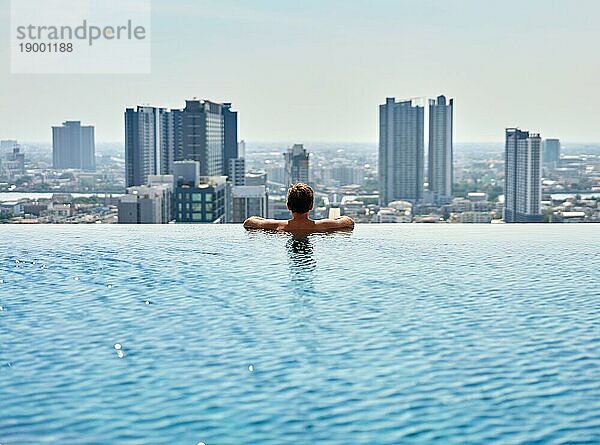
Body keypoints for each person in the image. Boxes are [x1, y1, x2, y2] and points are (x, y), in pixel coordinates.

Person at [243, 182, 354, 233]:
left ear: (288, 206)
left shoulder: (277, 226)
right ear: (311, 206)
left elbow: (249, 222)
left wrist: (268, 222)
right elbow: (348, 221)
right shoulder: (322, 226)